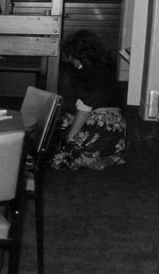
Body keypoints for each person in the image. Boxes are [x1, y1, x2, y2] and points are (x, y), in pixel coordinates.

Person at [49, 29, 126, 170]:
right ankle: (105, 156)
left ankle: (88, 158)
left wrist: (69, 139)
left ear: (76, 56)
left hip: (99, 126)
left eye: (70, 57)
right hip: (117, 128)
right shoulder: (105, 71)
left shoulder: (83, 74)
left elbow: (84, 111)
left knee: (59, 155)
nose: (70, 60)